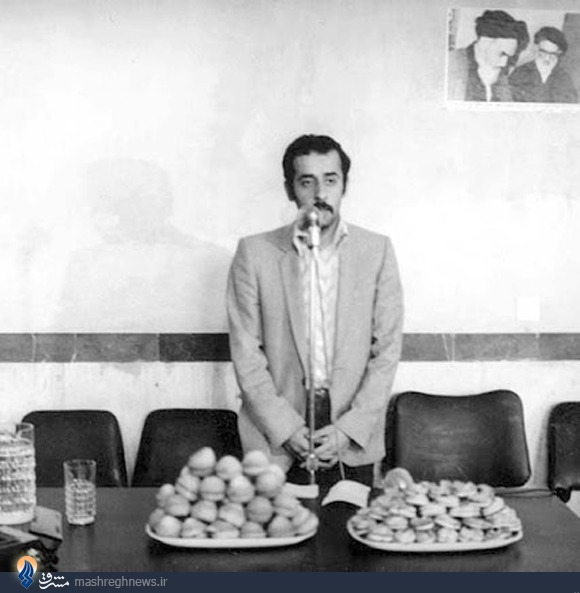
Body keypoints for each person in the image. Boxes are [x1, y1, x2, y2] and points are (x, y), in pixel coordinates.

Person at [227, 134, 404, 489]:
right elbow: (246, 354)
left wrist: (348, 429)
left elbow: (386, 351)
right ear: (289, 189)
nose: (320, 193)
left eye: (330, 180)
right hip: (274, 440)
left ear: (344, 186)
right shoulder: (254, 253)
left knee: (350, 523)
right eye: (306, 182)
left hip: (352, 438)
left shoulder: (377, 251)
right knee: (274, 524)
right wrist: (286, 428)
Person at [448, 10, 529, 102]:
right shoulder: (450, 63)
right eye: (502, 54)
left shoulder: (504, 74)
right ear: (485, 42)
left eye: (509, 57)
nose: (504, 63)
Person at [509, 26, 578, 103]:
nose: (547, 58)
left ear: (559, 53)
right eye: (543, 52)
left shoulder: (564, 78)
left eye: (552, 54)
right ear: (536, 48)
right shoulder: (519, 72)